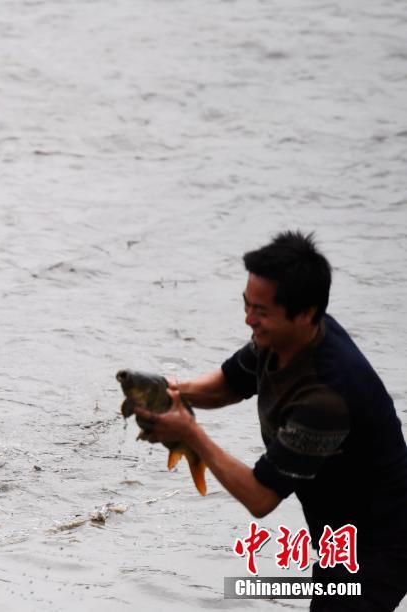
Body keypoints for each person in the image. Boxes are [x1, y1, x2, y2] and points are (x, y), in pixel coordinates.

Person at [136, 231, 407, 610]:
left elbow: (260, 497)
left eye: (261, 312)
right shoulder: (280, 340)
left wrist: (191, 434)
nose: (249, 320)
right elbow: (227, 384)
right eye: (247, 305)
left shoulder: (326, 396)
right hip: (337, 539)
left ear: (307, 312)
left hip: (379, 550)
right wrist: (167, 393)